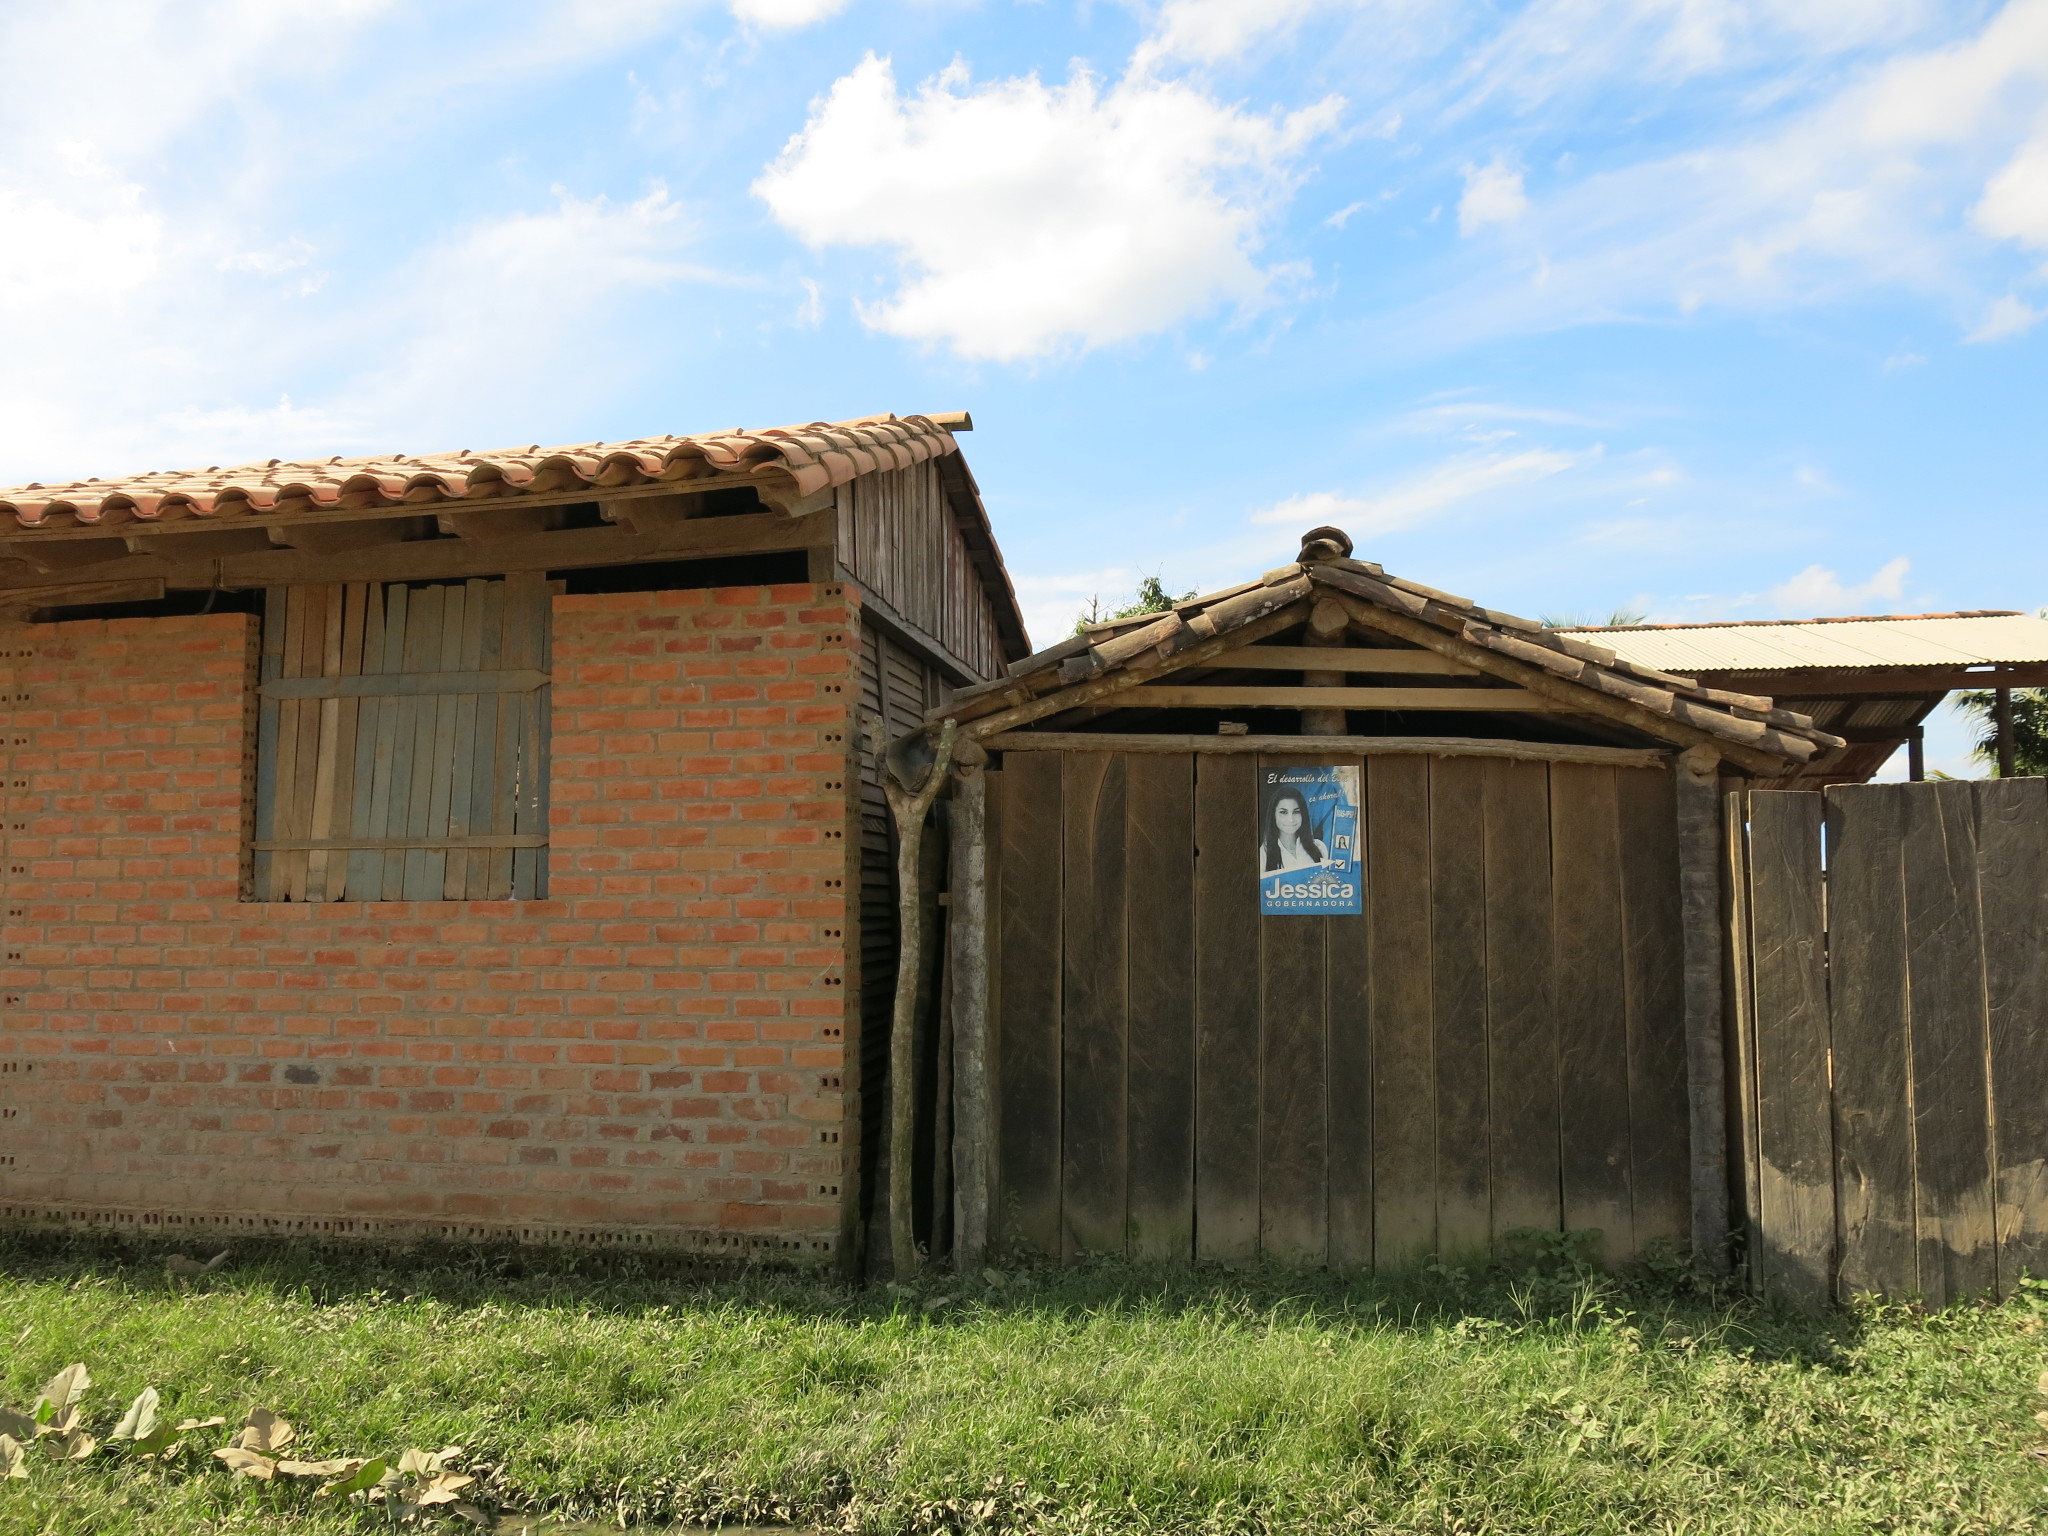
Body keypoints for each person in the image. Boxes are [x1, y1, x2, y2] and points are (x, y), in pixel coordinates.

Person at [1261, 785, 1327, 875]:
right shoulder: (1263, 855)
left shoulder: (1319, 847)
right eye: (1283, 812)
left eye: (1296, 812)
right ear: (1273, 815)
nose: (1291, 819)